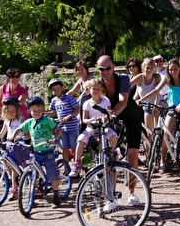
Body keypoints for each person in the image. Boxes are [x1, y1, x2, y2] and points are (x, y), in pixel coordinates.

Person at [97, 55, 143, 205]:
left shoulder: (123, 78)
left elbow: (123, 102)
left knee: (132, 155)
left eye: (108, 68)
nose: (105, 71)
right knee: (110, 156)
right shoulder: (98, 83)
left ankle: (132, 193)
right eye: (101, 69)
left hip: (131, 118)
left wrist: (109, 116)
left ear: (113, 67)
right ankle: (111, 195)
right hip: (113, 120)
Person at [136, 58, 180, 172]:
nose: (173, 72)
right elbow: (156, 91)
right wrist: (141, 99)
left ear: (179, 69)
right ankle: (163, 161)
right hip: (172, 108)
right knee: (165, 134)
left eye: (175, 69)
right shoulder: (167, 78)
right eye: (170, 70)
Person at [9, 96, 62, 208]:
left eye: (39, 110)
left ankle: (56, 194)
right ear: (29, 111)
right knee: (33, 173)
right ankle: (32, 196)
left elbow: (58, 130)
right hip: (35, 151)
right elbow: (19, 129)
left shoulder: (47, 120)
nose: (37, 113)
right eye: (34, 111)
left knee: (52, 173)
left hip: (47, 150)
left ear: (43, 111)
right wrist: (14, 137)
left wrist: (55, 138)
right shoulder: (29, 122)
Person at [69, 79, 117, 178]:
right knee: (81, 140)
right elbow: (84, 119)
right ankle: (77, 164)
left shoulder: (105, 100)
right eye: (94, 89)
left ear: (102, 90)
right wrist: (91, 120)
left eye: (98, 89)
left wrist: (105, 117)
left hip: (104, 127)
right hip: (92, 127)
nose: (96, 91)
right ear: (89, 89)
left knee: (113, 136)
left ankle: (112, 154)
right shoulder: (87, 103)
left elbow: (109, 113)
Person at [0, 97, 30, 201]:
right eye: (8, 111)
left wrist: (21, 137)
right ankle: (14, 188)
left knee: (27, 167)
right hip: (10, 147)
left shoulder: (22, 120)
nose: (11, 113)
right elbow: (2, 134)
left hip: (21, 147)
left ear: (17, 110)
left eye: (13, 110)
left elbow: (27, 134)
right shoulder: (7, 121)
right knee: (12, 169)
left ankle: (34, 187)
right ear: (5, 111)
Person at [45, 78, 79, 163]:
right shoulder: (54, 100)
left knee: (74, 148)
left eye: (58, 89)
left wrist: (69, 116)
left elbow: (78, 109)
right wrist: (43, 113)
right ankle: (66, 167)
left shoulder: (69, 98)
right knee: (64, 148)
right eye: (54, 90)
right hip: (62, 129)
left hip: (72, 127)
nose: (56, 91)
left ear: (62, 88)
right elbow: (53, 113)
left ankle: (76, 167)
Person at [130, 57, 165, 138]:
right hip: (146, 106)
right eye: (147, 68)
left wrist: (155, 107)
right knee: (149, 133)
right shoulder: (140, 77)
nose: (149, 70)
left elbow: (156, 92)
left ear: (154, 69)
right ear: (143, 68)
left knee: (157, 131)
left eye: (151, 68)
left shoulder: (157, 77)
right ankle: (150, 150)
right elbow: (128, 86)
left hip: (158, 103)